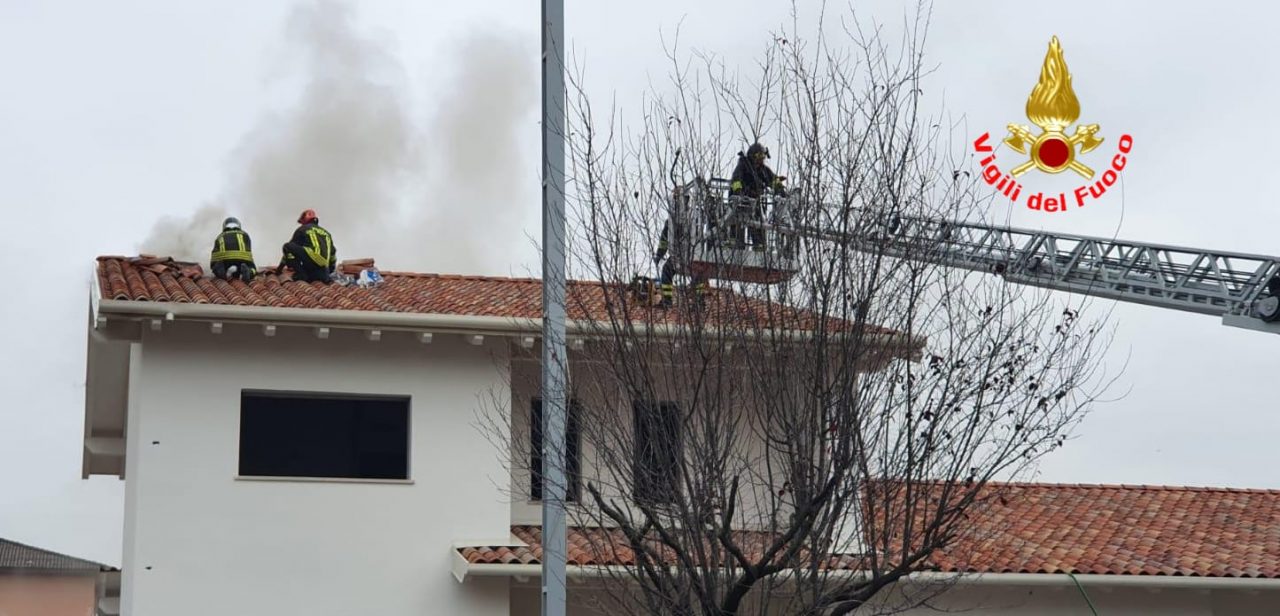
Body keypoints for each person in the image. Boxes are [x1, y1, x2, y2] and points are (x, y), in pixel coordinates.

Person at [728, 142, 786, 251]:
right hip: (740, 200)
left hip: (755, 201)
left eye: (763, 157)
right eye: (759, 156)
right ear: (752, 156)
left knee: (758, 221)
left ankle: (759, 245)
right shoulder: (743, 166)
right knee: (738, 220)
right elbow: (736, 180)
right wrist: (739, 192)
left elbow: (773, 180)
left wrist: (780, 189)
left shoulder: (763, 170)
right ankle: (736, 242)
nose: (761, 160)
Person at [278, 209, 336, 283]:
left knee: (287, 246)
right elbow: (333, 256)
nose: (301, 224)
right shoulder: (327, 233)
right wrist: (329, 271)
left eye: (301, 221)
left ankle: (301, 274)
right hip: (322, 274)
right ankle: (305, 273)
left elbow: (290, 249)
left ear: (305, 219)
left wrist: (279, 269)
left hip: (313, 265)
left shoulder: (303, 229)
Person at [210, 217, 257, 283]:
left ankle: (220, 271)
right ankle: (248, 272)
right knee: (252, 267)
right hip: (242, 258)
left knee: (217, 265)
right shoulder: (244, 234)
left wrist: (214, 264)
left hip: (224, 259)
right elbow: (248, 250)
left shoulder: (220, 236)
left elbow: (214, 254)